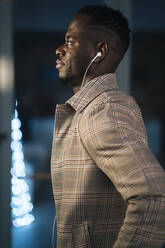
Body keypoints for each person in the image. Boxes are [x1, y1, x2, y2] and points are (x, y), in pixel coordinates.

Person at [51, 4, 165, 248]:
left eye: (70, 42)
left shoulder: (103, 109)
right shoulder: (92, 107)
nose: (59, 50)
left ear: (99, 51)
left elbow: (154, 197)